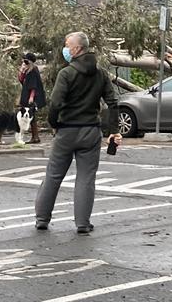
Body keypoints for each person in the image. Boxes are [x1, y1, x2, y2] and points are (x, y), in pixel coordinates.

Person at [35, 32, 122, 234]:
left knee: (53, 175)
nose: (65, 49)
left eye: (67, 45)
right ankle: (83, 223)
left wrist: (54, 123)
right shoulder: (101, 74)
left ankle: (42, 218)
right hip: (91, 131)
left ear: (76, 49)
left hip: (67, 131)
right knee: (85, 178)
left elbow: (55, 102)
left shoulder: (66, 74)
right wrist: (113, 130)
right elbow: (113, 102)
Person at [18, 52, 46, 144]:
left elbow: (33, 86)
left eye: (26, 61)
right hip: (27, 94)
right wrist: (22, 71)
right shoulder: (27, 70)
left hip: (32, 96)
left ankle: (35, 137)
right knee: (32, 117)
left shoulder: (33, 70)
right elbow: (22, 81)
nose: (24, 63)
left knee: (32, 116)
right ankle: (35, 136)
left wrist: (31, 97)